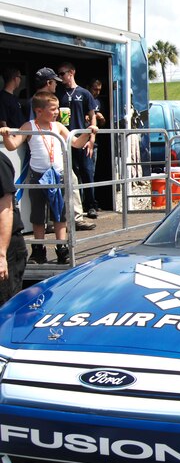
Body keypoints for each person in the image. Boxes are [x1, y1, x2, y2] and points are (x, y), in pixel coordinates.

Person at [0, 91, 97, 264]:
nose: (57, 112)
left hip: (58, 175)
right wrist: (6, 135)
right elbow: (13, 145)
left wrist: (87, 133)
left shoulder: (58, 127)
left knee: (60, 214)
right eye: (53, 109)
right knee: (38, 216)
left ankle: (62, 249)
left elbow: (75, 143)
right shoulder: (29, 126)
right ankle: (38, 251)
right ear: (38, 110)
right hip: (38, 176)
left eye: (57, 109)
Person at [57, 62, 99, 221]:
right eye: (59, 74)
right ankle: (75, 208)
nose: (61, 77)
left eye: (63, 74)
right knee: (70, 174)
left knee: (87, 172)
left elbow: (92, 115)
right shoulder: (59, 93)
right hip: (65, 139)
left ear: (72, 72)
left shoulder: (84, 93)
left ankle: (91, 205)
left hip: (82, 138)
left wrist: (91, 139)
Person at [0, 149, 26, 304]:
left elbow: (6, 210)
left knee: (6, 310)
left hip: (7, 246)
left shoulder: (0, 162)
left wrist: (1, 256)